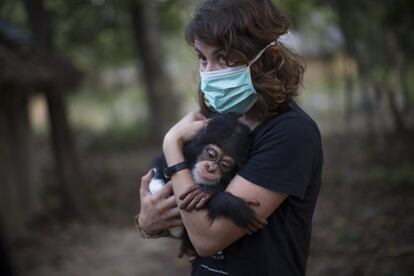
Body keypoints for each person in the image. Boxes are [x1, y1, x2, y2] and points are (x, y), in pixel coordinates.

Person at [137, 0, 323, 275]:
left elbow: (206, 238)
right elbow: (189, 220)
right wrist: (147, 223)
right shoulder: (219, 116)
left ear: (265, 57)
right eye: (203, 57)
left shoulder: (290, 133)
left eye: (224, 57)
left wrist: (171, 144)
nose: (209, 72)